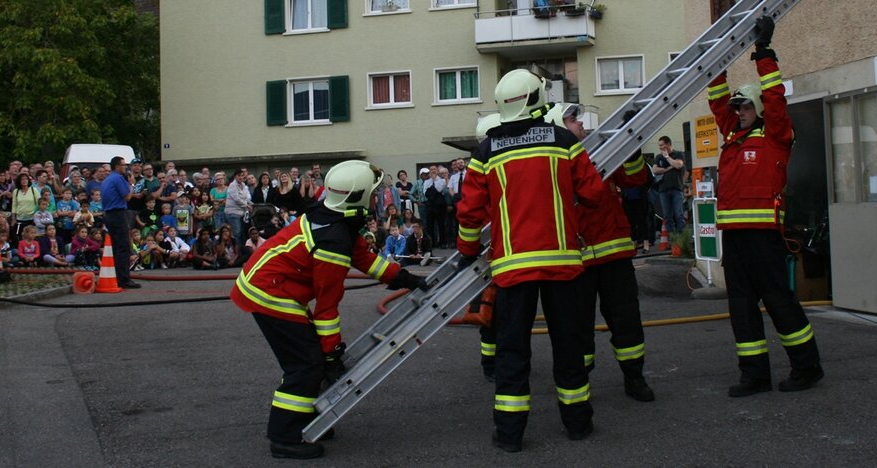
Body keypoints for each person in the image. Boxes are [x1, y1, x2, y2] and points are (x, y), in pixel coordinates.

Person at [230, 160, 428, 459]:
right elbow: (327, 306)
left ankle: (309, 417)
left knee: (311, 359)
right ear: (358, 197)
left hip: (271, 285)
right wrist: (332, 351)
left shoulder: (334, 219)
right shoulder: (332, 241)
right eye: (373, 194)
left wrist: (403, 277)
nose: (377, 198)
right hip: (269, 291)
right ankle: (284, 437)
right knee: (306, 363)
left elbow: (364, 259)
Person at [456, 70, 606, 451]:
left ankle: (509, 435)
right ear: (537, 99)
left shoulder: (485, 151)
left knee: (512, 352)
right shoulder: (564, 141)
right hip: (563, 266)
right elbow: (593, 194)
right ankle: (577, 424)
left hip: (512, 268)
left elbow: (470, 213)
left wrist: (467, 252)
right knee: (569, 347)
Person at [707, 16, 822, 397]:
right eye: (736, 106)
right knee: (741, 311)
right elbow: (717, 98)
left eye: (744, 106)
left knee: (780, 305)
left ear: (756, 108)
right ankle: (754, 375)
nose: (737, 110)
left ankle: (807, 368)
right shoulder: (731, 136)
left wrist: (763, 53)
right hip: (736, 242)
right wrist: (715, 63)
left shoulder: (775, 134)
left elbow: (774, 96)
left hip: (765, 239)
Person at [547, 102, 656, 403]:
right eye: (573, 120)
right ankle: (579, 385)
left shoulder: (600, 153)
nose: (581, 124)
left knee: (626, 322)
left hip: (614, 256)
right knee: (576, 328)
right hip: (575, 261)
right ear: (558, 127)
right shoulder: (549, 162)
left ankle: (634, 377)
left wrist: (632, 146)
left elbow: (635, 180)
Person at [103, 156, 141, 288]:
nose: (126, 167)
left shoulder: (107, 179)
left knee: (116, 246)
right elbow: (127, 196)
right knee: (123, 247)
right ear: (117, 166)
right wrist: (131, 183)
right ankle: (124, 279)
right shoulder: (119, 178)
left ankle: (117, 276)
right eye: (124, 165)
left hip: (109, 215)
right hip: (118, 213)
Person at [653, 136, 687, 234]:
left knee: (679, 214)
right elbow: (655, 170)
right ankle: (672, 240)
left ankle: (681, 239)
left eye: (662, 145)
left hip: (677, 189)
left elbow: (678, 165)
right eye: (659, 145)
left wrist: (667, 157)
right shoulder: (658, 157)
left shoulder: (679, 154)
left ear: (668, 144)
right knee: (667, 216)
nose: (660, 147)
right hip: (663, 190)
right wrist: (668, 168)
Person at [224, 169, 251, 246]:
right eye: (238, 175)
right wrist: (247, 206)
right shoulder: (232, 185)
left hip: (241, 213)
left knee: (242, 233)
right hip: (232, 213)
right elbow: (237, 199)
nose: (240, 177)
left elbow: (245, 198)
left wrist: (252, 204)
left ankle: (242, 249)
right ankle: (237, 251)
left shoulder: (243, 185)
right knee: (237, 233)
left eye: (242, 175)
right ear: (235, 176)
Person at [11, 173, 40, 242]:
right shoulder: (16, 191)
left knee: (32, 237)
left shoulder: (34, 190)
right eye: (22, 179)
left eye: (26, 179)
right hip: (20, 219)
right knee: (20, 237)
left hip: (31, 219)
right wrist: (13, 218)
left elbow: (39, 203)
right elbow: (14, 205)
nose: (24, 181)